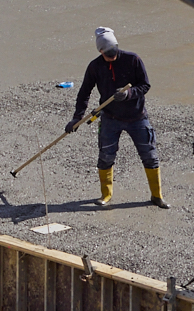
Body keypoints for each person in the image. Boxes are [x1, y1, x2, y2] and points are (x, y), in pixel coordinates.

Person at [64, 27, 168, 209]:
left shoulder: (133, 59)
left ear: (117, 47)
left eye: (114, 52)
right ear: (100, 51)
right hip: (110, 118)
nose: (112, 57)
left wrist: (129, 94)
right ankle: (106, 195)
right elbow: (84, 93)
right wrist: (77, 118)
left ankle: (157, 196)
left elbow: (145, 85)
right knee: (105, 156)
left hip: (137, 117)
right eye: (108, 54)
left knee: (150, 156)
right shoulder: (95, 66)